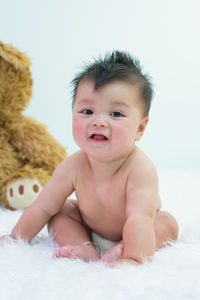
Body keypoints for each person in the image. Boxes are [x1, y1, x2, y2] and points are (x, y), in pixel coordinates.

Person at [1, 51, 178, 267]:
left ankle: (123, 248)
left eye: (115, 114)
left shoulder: (140, 169)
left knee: (167, 224)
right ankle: (83, 247)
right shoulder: (73, 165)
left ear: (140, 128)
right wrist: (16, 238)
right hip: (89, 226)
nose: (98, 121)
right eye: (87, 111)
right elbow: (42, 207)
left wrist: (133, 259)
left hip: (135, 229)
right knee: (59, 212)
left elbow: (139, 217)